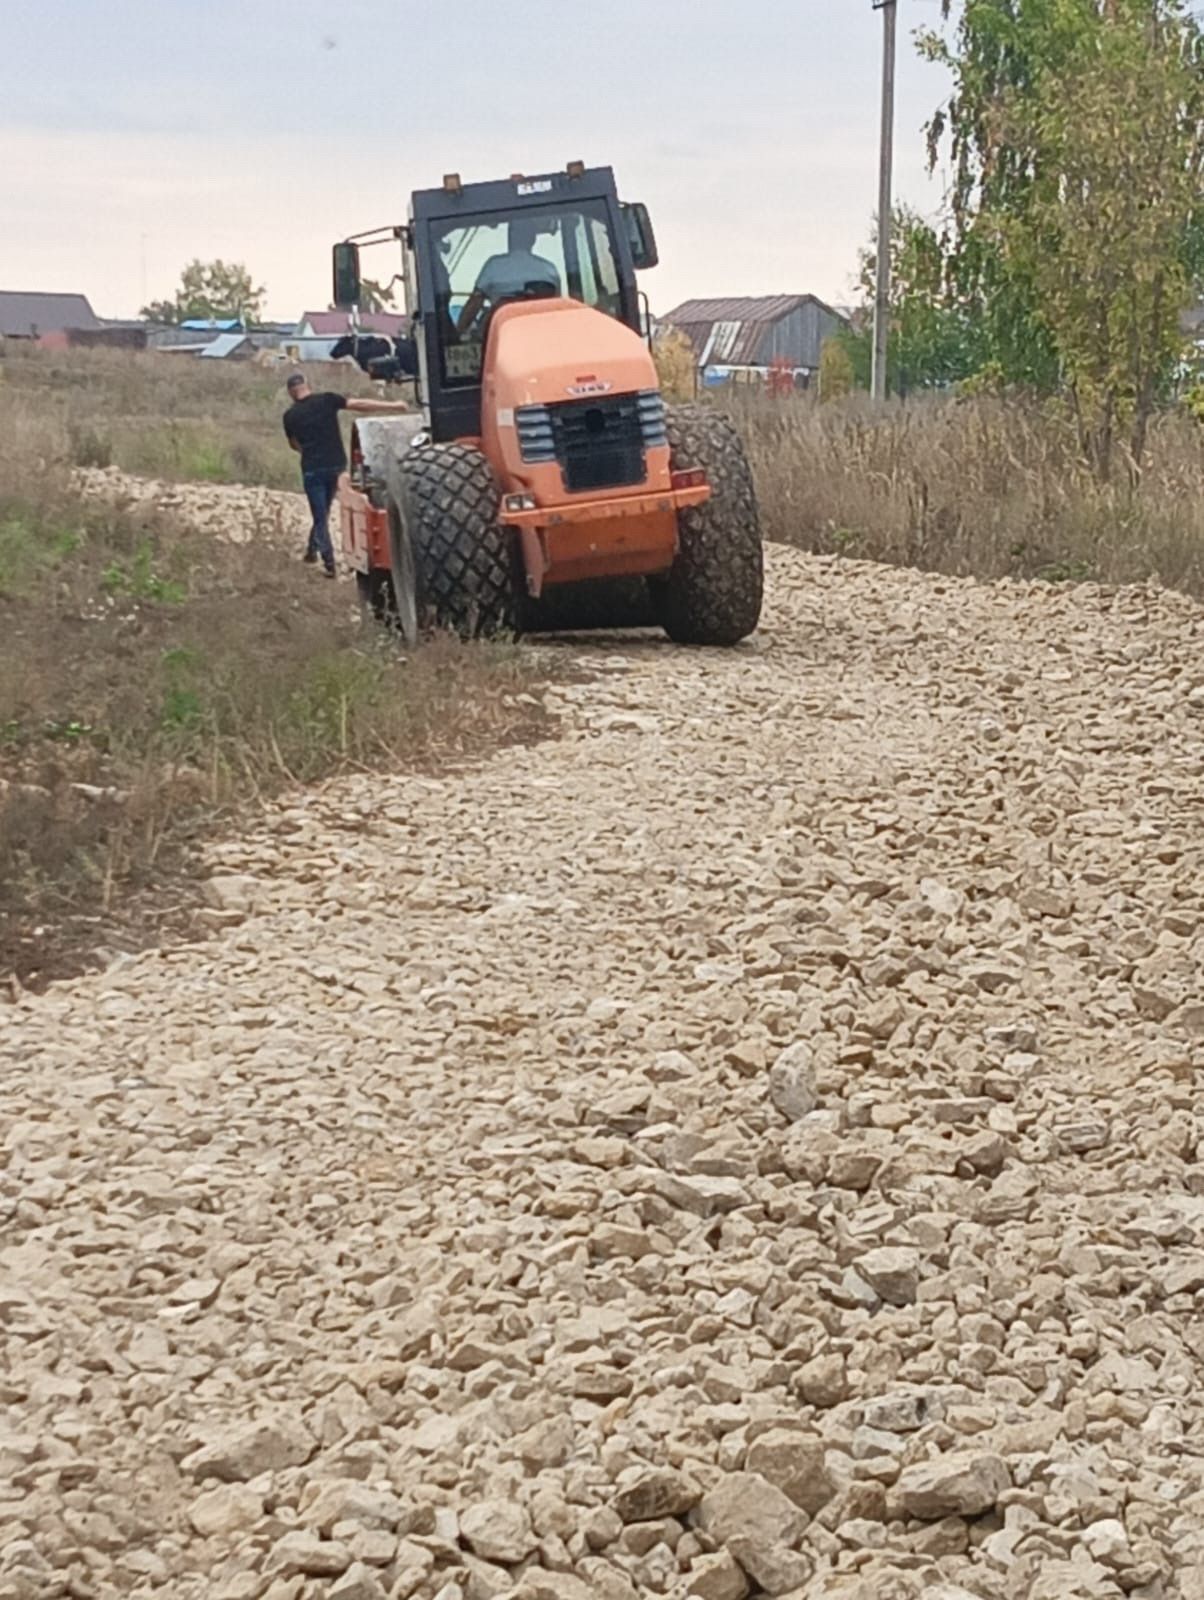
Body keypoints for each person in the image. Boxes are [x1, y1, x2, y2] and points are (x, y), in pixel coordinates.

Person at [282, 373, 410, 575]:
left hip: (312, 469)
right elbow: (359, 404)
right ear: (308, 385)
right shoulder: (327, 400)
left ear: (291, 392)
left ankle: (329, 563)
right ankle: (311, 551)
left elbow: (293, 444)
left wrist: (308, 451)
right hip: (336, 465)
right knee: (323, 512)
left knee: (319, 514)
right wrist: (393, 406)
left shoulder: (290, 416)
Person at [455, 218, 561, 336]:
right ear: (533, 239)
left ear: (510, 238)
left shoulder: (493, 266)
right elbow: (558, 309)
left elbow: (474, 303)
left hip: (501, 336)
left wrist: (457, 334)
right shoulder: (550, 270)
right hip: (541, 334)